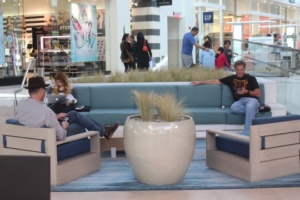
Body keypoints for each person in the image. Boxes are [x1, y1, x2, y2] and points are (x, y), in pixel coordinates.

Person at [16, 76, 119, 141]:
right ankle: (104, 131)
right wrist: (64, 127)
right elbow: (61, 136)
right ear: (41, 90)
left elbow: (35, 118)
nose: (45, 91)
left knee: (73, 114)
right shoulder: (46, 111)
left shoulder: (20, 105)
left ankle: (105, 130)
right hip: (49, 137)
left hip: (35, 135)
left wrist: (55, 116)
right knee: (79, 126)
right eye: (45, 89)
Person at [191, 60, 261, 135]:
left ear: (244, 69)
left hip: (252, 100)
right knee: (234, 108)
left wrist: (247, 91)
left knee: (250, 107)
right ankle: (254, 110)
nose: (240, 72)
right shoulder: (231, 78)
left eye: (242, 70)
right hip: (239, 101)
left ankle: (247, 132)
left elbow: (258, 94)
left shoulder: (251, 78)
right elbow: (215, 81)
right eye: (238, 70)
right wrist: (200, 82)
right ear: (235, 69)